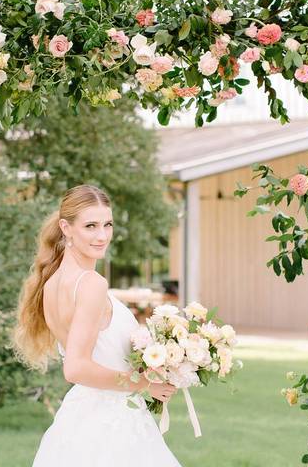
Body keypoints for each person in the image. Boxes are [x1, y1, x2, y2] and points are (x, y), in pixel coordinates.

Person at [13, 184, 182, 467]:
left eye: (107, 224)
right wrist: (144, 383)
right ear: (66, 228)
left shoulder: (52, 283)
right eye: (90, 226)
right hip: (112, 423)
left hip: (80, 416)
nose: (102, 235)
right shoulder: (91, 283)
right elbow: (76, 367)